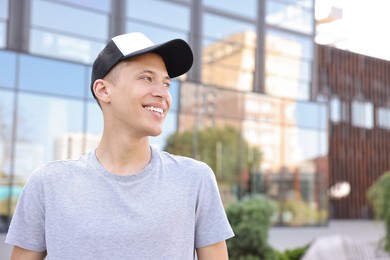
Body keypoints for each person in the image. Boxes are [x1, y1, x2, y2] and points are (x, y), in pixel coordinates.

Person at [5, 32, 234, 259]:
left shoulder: (195, 179)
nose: (163, 93)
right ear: (103, 90)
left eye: (166, 84)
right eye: (146, 78)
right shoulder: (48, 184)